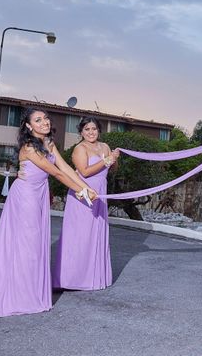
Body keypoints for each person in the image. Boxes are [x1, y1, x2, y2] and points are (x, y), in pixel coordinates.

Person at [0, 108, 97, 317]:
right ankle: (20, 296)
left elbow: (65, 168)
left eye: (45, 118)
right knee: (28, 244)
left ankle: (31, 293)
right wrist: (81, 190)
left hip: (40, 194)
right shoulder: (28, 147)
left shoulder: (49, 143)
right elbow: (54, 172)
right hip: (26, 196)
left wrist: (85, 186)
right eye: (38, 120)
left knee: (36, 245)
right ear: (28, 125)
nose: (44, 122)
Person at [53, 116, 119, 290]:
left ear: (99, 130)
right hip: (83, 195)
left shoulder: (104, 146)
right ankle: (70, 279)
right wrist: (106, 160)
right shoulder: (79, 148)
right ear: (81, 132)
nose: (91, 132)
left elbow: (111, 169)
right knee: (80, 236)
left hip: (100, 193)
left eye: (94, 129)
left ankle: (93, 278)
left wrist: (114, 159)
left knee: (96, 235)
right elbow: (85, 171)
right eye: (87, 129)